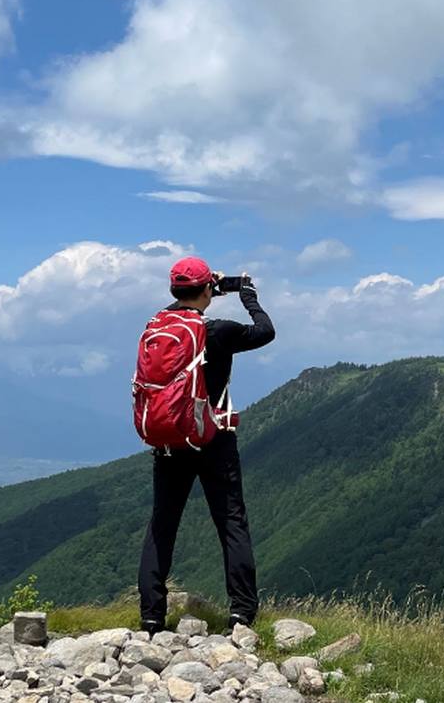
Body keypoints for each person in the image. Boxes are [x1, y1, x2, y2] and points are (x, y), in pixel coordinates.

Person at [138, 256, 275, 635]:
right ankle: (242, 614)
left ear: (173, 290)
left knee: (162, 525)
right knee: (231, 522)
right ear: (206, 291)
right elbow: (265, 331)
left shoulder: (156, 326)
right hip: (214, 439)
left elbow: (179, 305)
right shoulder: (218, 331)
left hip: (170, 439)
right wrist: (246, 293)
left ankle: (151, 616)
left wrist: (200, 288)